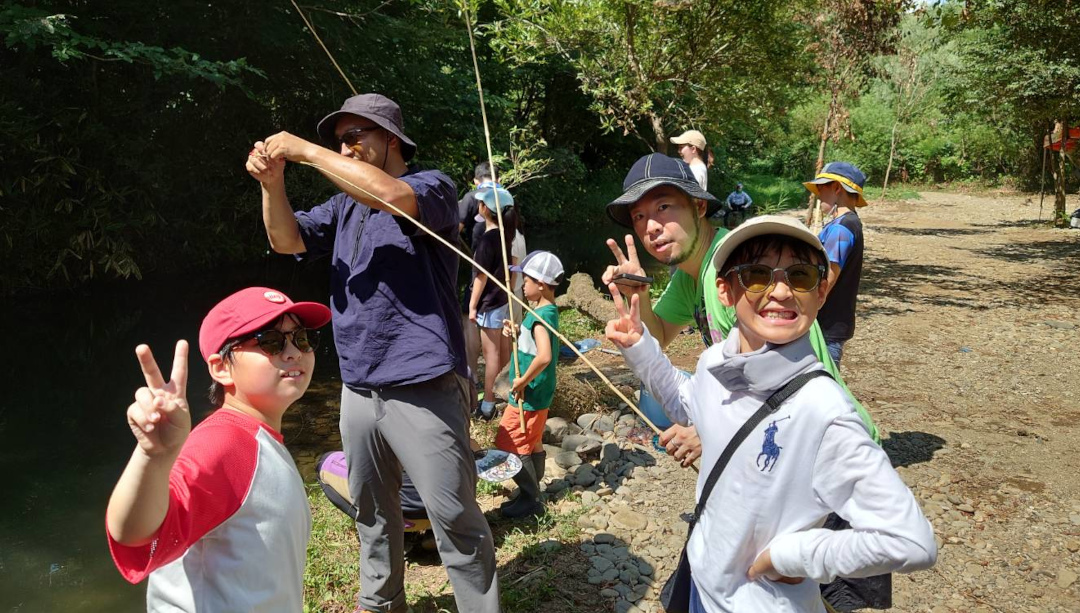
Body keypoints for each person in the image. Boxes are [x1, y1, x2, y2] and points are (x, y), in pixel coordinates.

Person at [245, 93, 499, 613]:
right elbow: (286, 239)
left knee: (454, 516)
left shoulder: (432, 187)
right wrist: (273, 183)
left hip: (424, 383)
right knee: (372, 512)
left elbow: (391, 197)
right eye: (341, 138)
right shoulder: (342, 207)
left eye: (359, 134)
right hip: (358, 386)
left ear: (392, 140)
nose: (347, 144)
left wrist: (309, 152)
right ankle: (380, 602)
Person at [604, 216, 936, 612]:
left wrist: (796, 555)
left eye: (800, 276)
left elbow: (910, 541)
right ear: (724, 291)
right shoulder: (714, 363)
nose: (780, 291)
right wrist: (640, 345)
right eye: (757, 275)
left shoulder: (823, 411)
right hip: (702, 585)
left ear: (822, 291)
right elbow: (686, 402)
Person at [601, 153, 879, 470]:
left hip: (833, 448)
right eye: (638, 216)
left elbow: (789, 383)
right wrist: (640, 294)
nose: (650, 226)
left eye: (664, 208)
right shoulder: (689, 276)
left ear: (699, 206)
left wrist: (710, 431)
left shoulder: (741, 275)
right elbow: (660, 335)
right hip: (792, 443)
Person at [106, 287, 332, 611]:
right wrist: (153, 457)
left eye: (302, 338)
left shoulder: (258, 439)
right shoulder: (226, 442)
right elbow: (136, 534)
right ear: (221, 368)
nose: (294, 351)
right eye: (271, 341)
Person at [495, 250, 564, 518]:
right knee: (533, 442)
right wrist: (517, 330)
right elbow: (534, 341)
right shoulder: (544, 312)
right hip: (539, 393)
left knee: (510, 441)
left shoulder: (539, 318)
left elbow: (544, 356)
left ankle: (530, 498)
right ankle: (531, 492)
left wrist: (522, 379)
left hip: (529, 393)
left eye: (526, 280)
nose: (522, 285)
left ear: (541, 284)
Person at [803, 162, 867, 365]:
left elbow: (829, 276)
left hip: (826, 326)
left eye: (822, 187)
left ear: (837, 188)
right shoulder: (847, 223)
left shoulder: (842, 228)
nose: (819, 193)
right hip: (830, 324)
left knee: (820, 386)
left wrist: (805, 312)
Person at [469, 183, 519, 420]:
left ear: (484, 209)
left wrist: (471, 305)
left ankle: (488, 404)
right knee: (505, 351)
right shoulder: (506, 236)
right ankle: (507, 397)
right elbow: (513, 270)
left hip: (489, 304)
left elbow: (480, 276)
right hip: (502, 301)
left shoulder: (488, 239)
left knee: (491, 355)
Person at [459, 161, 496, 248]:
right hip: (504, 253)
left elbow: (456, 229)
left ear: (476, 181)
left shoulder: (471, 197)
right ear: (498, 179)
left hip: (479, 252)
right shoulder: (507, 197)